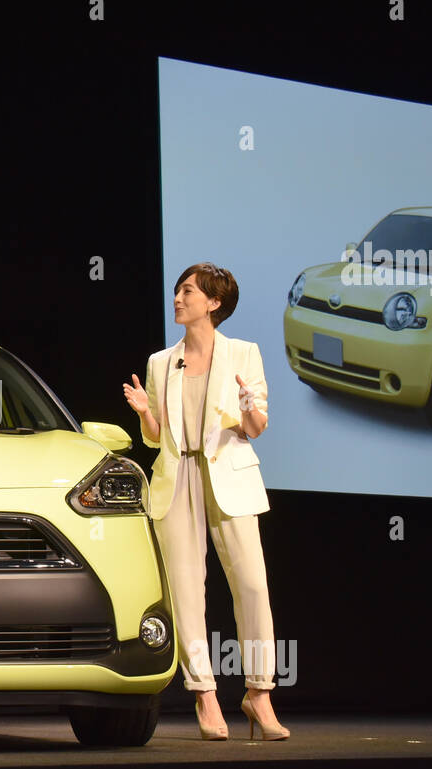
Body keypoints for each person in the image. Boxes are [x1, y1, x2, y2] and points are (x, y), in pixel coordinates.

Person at [122, 262, 289, 741]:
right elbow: (155, 440)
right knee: (186, 593)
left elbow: (255, 428)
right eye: (178, 290)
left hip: (229, 476)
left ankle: (259, 693)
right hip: (177, 479)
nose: (178, 298)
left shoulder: (244, 353)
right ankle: (205, 694)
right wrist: (145, 413)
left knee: (253, 585)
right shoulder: (161, 362)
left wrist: (248, 409)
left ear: (213, 303)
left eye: (189, 291)